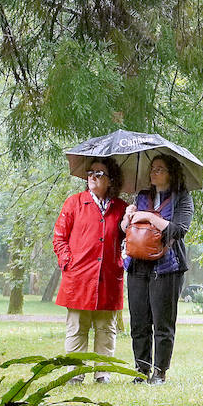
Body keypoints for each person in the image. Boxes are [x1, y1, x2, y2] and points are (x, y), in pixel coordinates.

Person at [121, 153, 195, 385]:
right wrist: (128, 216)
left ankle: (159, 372)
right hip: (137, 265)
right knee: (139, 322)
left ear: (171, 173)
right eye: (153, 168)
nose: (154, 172)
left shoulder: (182, 198)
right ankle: (140, 371)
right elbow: (125, 229)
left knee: (163, 323)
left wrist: (148, 217)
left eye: (160, 169)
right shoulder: (141, 196)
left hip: (168, 266)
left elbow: (179, 230)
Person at [52, 156, 128, 381]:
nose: (93, 177)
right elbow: (59, 238)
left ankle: (102, 374)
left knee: (106, 329)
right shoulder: (74, 203)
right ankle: (75, 373)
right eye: (90, 173)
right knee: (77, 327)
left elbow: (128, 240)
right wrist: (69, 263)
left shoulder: (121, 208)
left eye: (99, 173)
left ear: (111, 179)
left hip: (108, 277)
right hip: (79, 277)